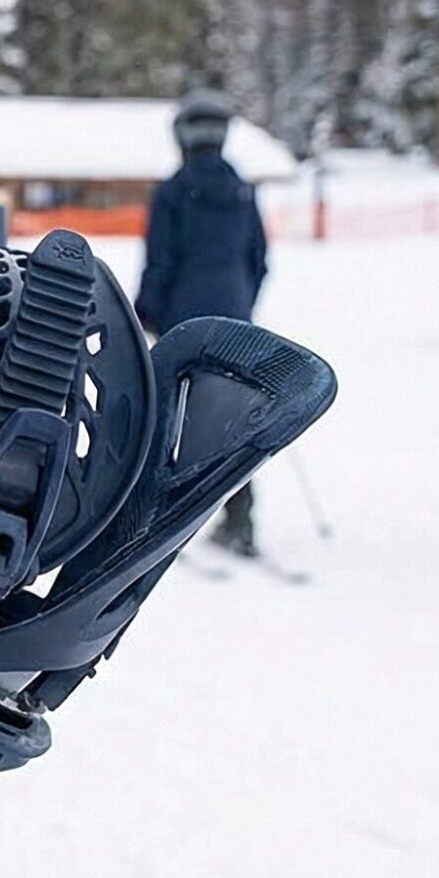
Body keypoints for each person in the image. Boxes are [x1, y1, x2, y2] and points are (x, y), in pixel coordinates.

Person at [138, 88, 270, 557]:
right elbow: (258, 258)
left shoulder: (174, 192)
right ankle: (241, 518)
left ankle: (158, 516)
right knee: (231, 419)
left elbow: (161, 259)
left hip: (184, 321)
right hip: (235, 318)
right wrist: (242, 307)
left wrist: (145, 310)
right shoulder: (240, 191)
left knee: (170, 416)